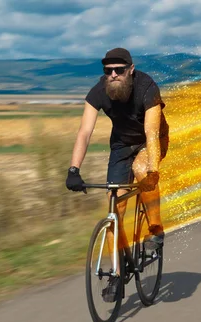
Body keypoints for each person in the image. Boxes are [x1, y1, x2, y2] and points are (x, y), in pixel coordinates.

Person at [65, 47, 169, 301]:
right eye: (108, 70)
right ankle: (116, 275)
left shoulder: (146, 87)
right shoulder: (99, 92)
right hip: (121, 146)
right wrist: (73, 169)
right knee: (114, 211)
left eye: (119, 70)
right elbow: (84, 132)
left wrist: (153, 170)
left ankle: (155, 230)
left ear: (130, 70)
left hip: (151, 141)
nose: (113, 75)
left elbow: (152, 134)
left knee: (141, 169)